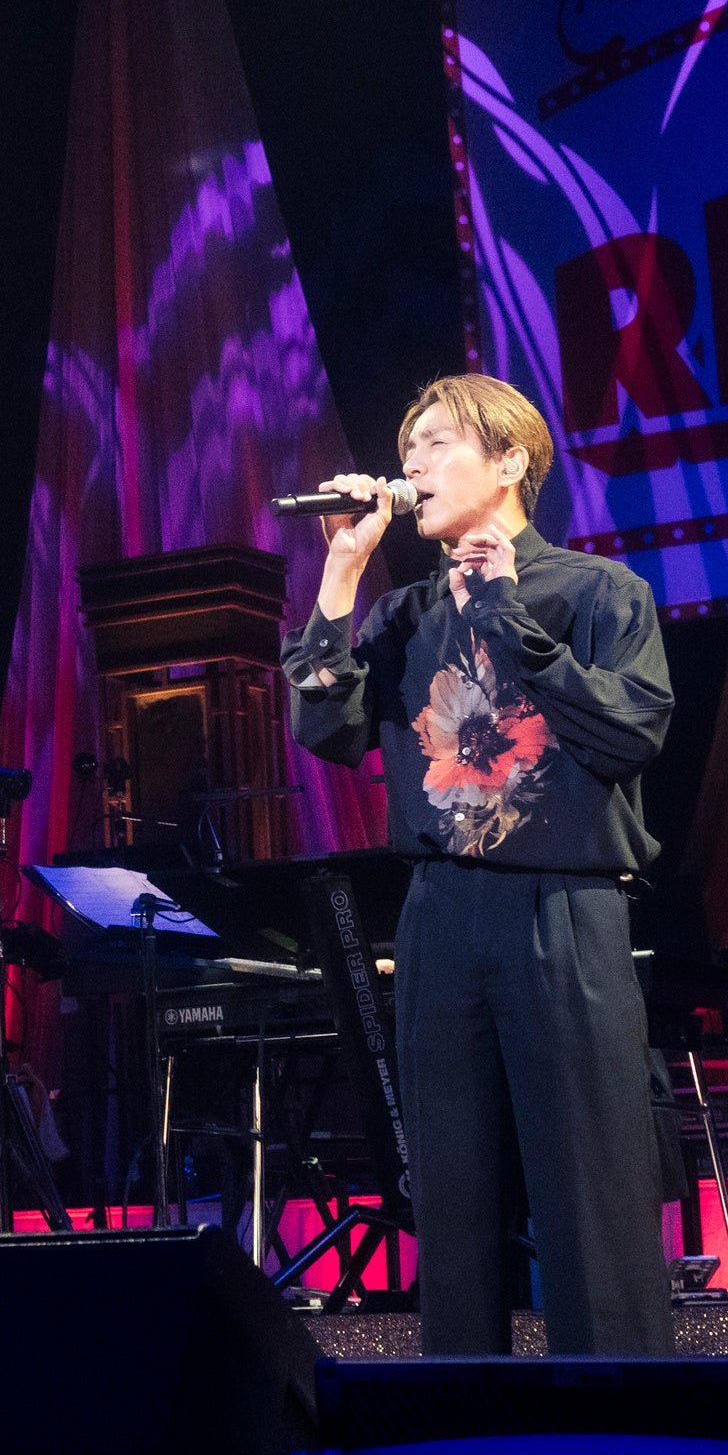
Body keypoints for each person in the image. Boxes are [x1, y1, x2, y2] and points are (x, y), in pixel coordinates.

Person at [286, 374, 676, 1357]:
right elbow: (326, 728)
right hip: (440, 913)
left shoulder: (598, 592)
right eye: (405, 448)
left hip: (563, 910)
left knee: (590, 1191)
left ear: (509, 461)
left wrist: (506, 614)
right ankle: (465, 1421)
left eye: (434, 443)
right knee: (451, 1200)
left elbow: (629, 733)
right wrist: (340, 574)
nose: (410, 464)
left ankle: (622, 1423)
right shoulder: (404, 613)